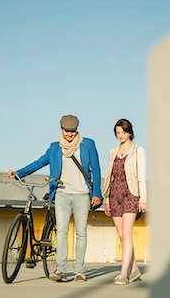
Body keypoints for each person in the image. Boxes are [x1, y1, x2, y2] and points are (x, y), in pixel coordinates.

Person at [7, 114, 102, 282]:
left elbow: (96, 168)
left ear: (77, 130)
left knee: (81, 233)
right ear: (61, 129)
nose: (70, 135)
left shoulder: (88, 144)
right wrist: (18, 173)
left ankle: (80, 271)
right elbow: (39, 163)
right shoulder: (54, 148)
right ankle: (61, 269)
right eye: (67, 131)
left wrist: (96, 193)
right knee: (62, 231)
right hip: (61, 193)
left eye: (73, 131)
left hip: (82, 194)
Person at [103, 119, 147, 285]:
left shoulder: (138, 151)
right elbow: (110, 177)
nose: (120, 135)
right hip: (115, 195)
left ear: (129, 132)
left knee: (127, 234)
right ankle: (135, 269)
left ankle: (123, 273)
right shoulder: (112, 152)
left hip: (131, 194)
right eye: (118, 133)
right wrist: (107, 199)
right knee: (121, 235)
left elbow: (141, 176)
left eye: (123, 132)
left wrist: (143, 199)